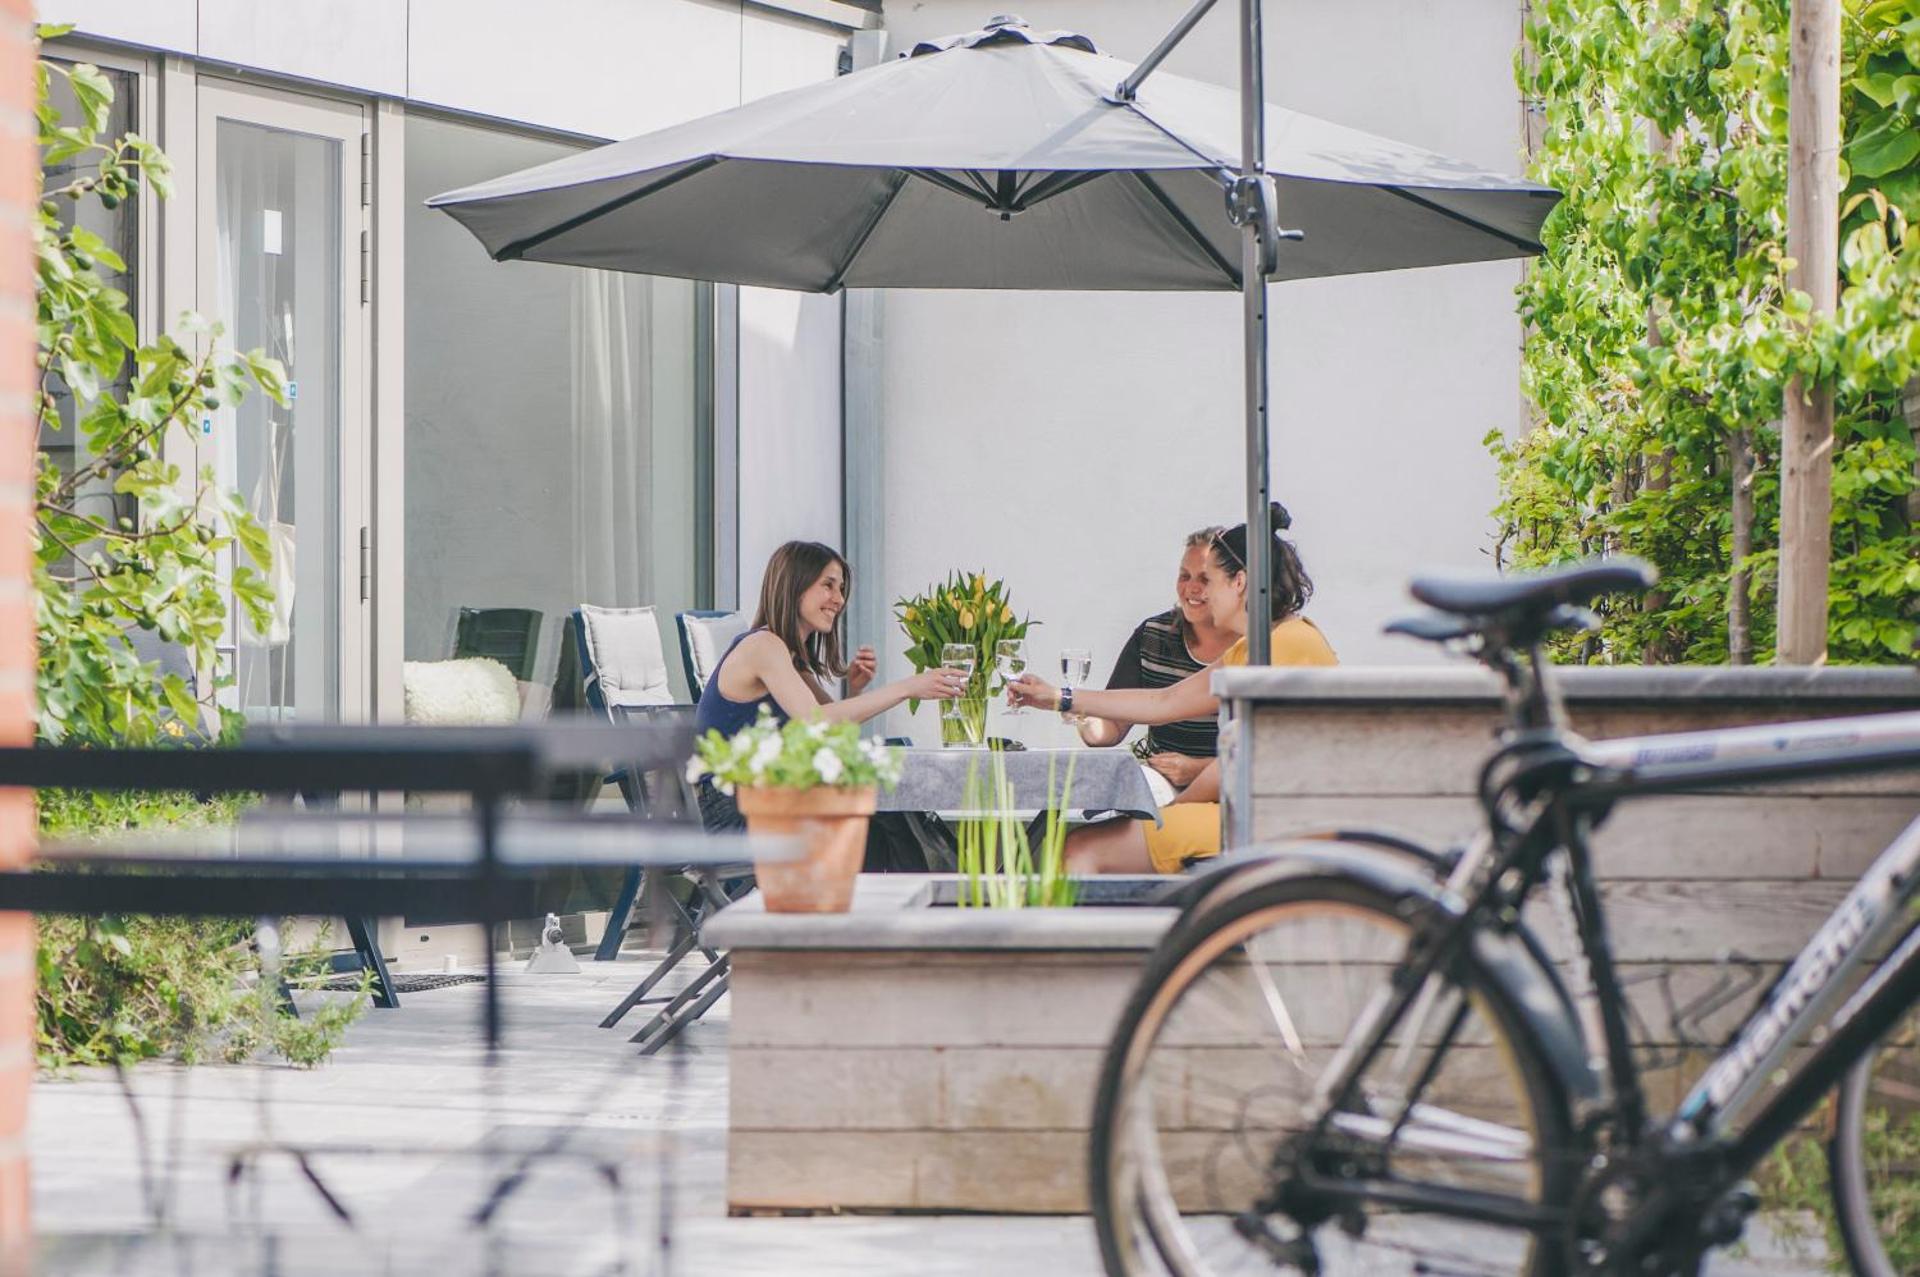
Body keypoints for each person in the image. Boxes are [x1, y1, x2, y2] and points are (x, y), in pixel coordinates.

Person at [1007, 503, 1335, 874]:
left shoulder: (1277, 645)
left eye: (1208, 580)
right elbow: (1165, 702)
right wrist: (1060, 698)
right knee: (1088, 842)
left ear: (1239, 582)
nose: (1200, 593)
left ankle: (1096, 935)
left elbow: (1230, 753)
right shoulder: (1277, 640)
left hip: (1275, 825)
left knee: (1081, 849)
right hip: (1275, 815)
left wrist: (1175, 813)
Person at [695, 540, 967, 836]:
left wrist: (854, 691)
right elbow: (815, 722)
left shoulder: (789, 657)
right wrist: (907, 688)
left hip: (767, 799)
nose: (838, 600)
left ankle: (927, 876)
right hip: (733, 809)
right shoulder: (763, 645)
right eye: (828, 585)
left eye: (841, 589)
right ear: (794, 585)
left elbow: (832, 734)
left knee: (889, 812)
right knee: (879, 820)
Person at [1077, 526, 1235, 802]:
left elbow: (1269, 757)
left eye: (1204, 579)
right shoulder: (1153, 635)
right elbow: (1111, 727)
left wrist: (1197, 769)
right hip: (1163, 783)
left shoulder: (1254, 645)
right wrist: (1080, 711)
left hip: (1231, 789)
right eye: (1184, 576)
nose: (1191, 588)